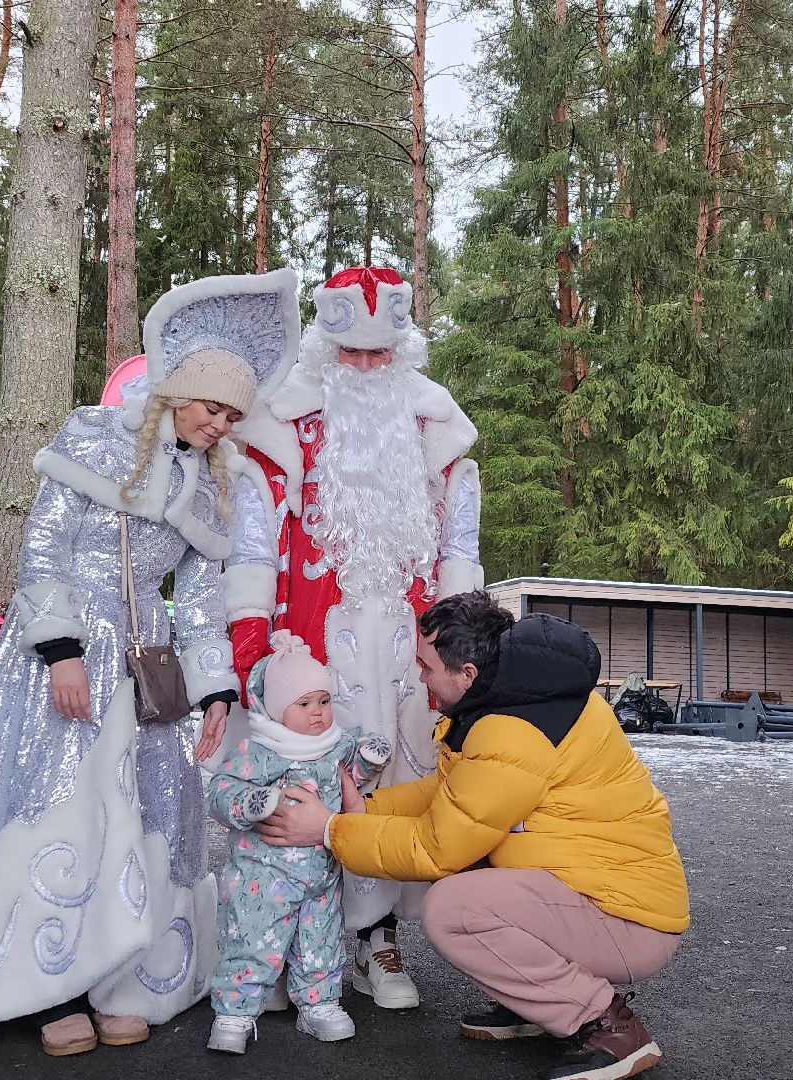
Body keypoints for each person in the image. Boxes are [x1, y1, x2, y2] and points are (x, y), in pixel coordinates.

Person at [0, 270, 302, 1056]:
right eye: (210, 406)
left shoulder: (211, 484)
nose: (220, 424)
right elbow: (43, 553)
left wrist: (215, 688)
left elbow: (198, 599)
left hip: (144, 663)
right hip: (66, 654)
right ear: (176, 391)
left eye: (233, 415)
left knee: (146, 813)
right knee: (63, 807)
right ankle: (44, 988)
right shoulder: (92, 441)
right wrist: (61, 652)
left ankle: (119, 979)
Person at [258, 592, 690, 1080]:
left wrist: (331, 830)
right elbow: (457, 793)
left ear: (466, 673)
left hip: (626, 921)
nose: (420, 677)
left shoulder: (514, 730)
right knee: (472, 865)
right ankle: (537, 1003)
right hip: (601, 891)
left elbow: (436, 847)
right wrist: (365, 807)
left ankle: (605, 1023)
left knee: (454, 909)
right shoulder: (516, 696)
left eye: (426, 666)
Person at [225, 264, 484, 1008]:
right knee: (304, 786)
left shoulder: (437, 432)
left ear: (403, 352)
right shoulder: (284, 429)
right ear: (325, 350)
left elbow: (459, 549)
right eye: (352, 353)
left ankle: (377, 940)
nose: (367, 368)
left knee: (400, 784)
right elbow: (252, 549)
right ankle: (282, 943)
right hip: (311, 651)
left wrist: (464, 651)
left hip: (412, 650)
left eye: (380, 354)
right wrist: (251, 646)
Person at [202, 630, 390, 1054]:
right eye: (303, 704)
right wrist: (250, 803)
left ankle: (319, 1004)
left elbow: (351, 779)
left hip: (320, 876)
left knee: (320, 943)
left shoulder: (335, 745)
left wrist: (369, 759)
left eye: (323, 701)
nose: (317, 712)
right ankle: (234, 1011)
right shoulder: (258, 752)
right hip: (262, 879)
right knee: (252, 940)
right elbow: (220, 792)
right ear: (275, 708)